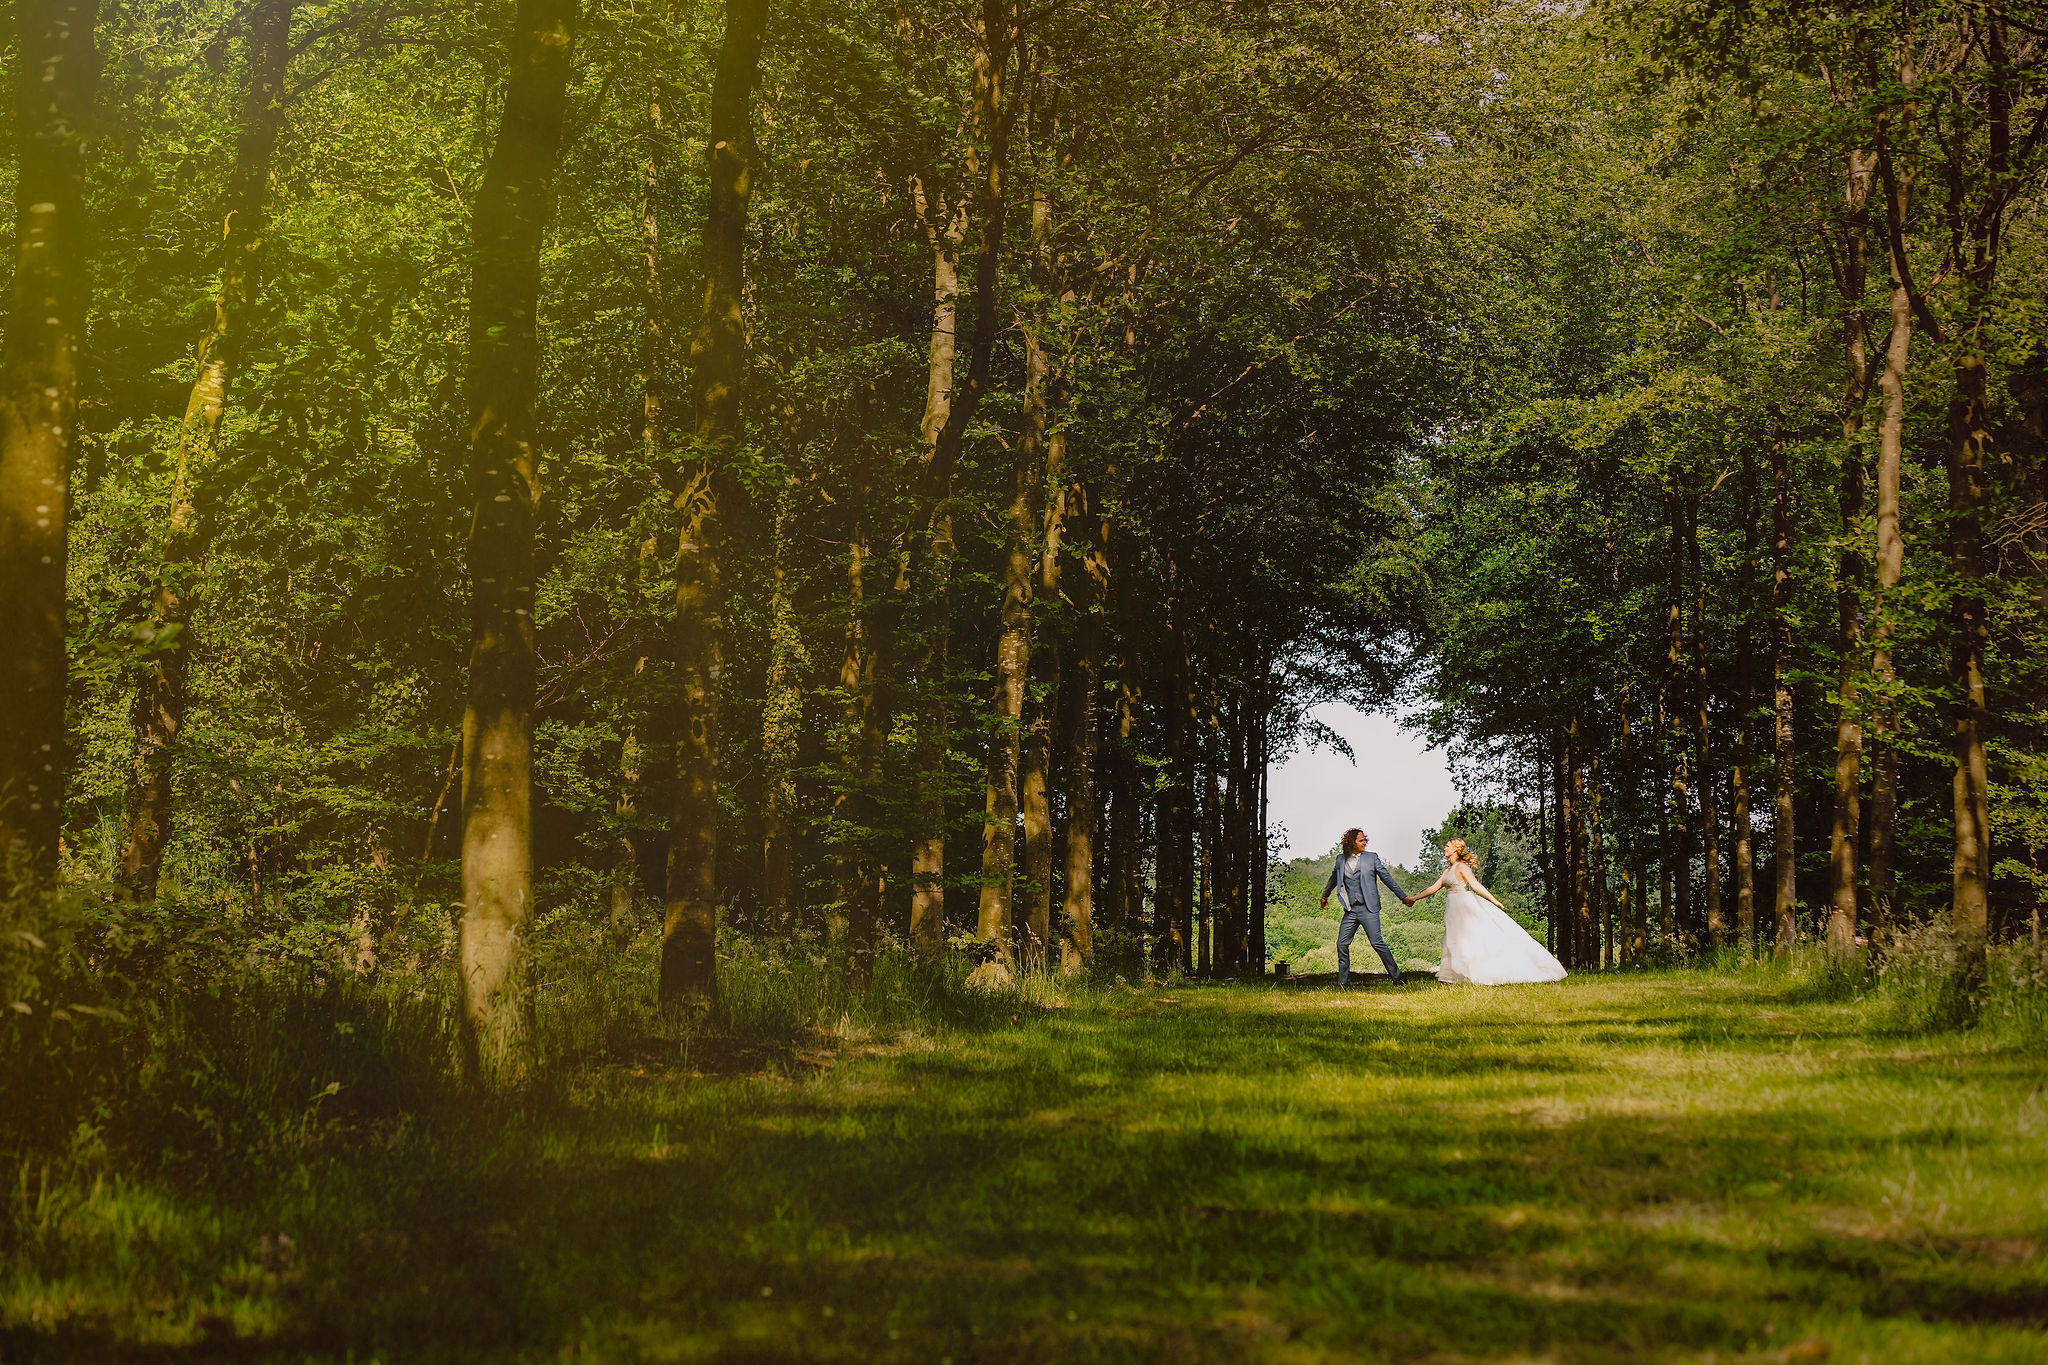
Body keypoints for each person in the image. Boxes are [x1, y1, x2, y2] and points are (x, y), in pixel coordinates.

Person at [1404, 837, 1565, 985]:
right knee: (1454, 941)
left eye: (1447, 846)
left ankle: (1479, 971)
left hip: (1463, 907)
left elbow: (1475, 885)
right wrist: (1413, 898)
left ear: (1455, 849)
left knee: (1472, 938)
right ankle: (1456, 975)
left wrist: (1493, 900)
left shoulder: (1461, 867)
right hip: (1452, 909)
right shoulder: (1448, 870)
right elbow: (1433, 888)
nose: (1445, 848)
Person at [1320, 828, 1407, 987]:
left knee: (1377, 943)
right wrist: (1324, 895)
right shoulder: (1340, 860)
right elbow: (1334, 878)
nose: (1365, 842)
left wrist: (1402, 896)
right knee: (1342, 943)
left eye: (1365, 839)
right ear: (1352, 842)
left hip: (1369, 908)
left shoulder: (1371, 858)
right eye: (1361, 840)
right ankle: (1343, 982)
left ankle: (1398, 978)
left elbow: (1387, 878)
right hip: (1350, 910)